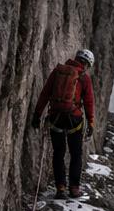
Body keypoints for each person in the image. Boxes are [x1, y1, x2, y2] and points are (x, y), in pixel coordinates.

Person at [32, 49, 95, 199]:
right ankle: (74, 189)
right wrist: (91, 123)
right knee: (76, 154)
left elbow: (45, 94)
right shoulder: (84, 78)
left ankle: (60, 188)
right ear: (86, 64)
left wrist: (37, 115)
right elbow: (89, 102)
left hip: (56, 118)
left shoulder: (58, 72)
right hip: (74, 119)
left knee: (58, 153)